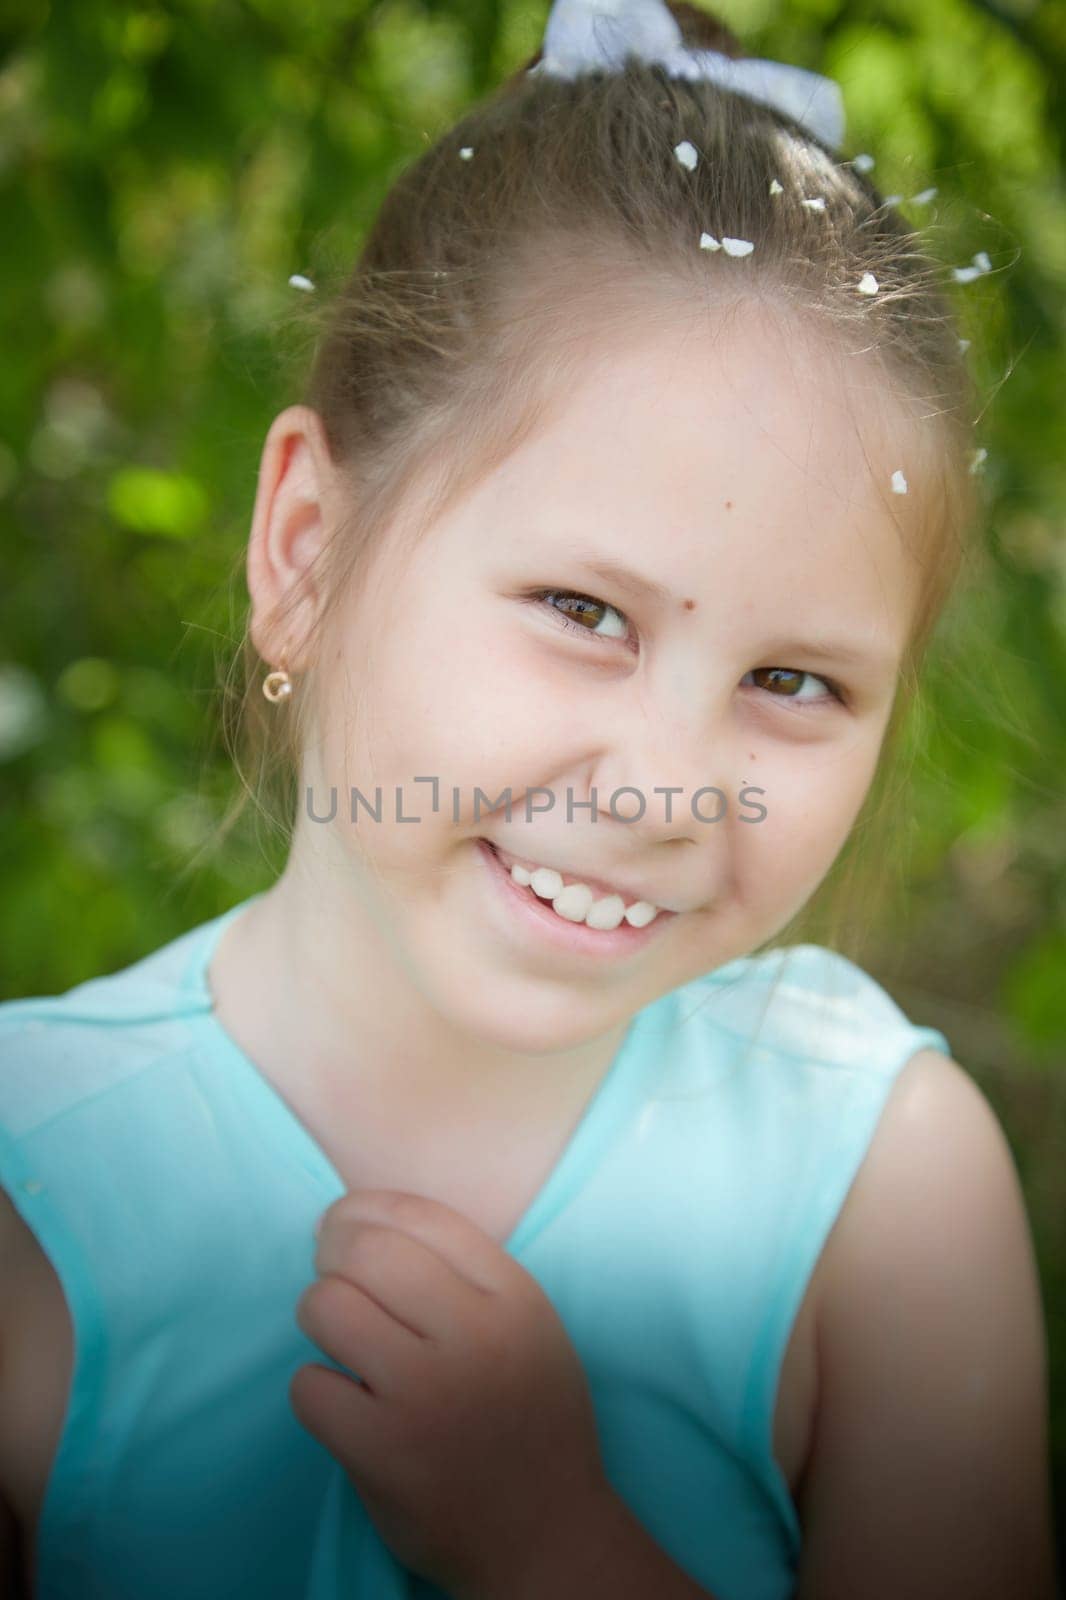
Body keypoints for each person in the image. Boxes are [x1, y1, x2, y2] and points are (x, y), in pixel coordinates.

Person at [0, 1, 1058, 1597]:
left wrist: (556, 1550)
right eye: (582, 612)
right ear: (303, 553)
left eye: (793, 683)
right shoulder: (34, 1177)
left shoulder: (881, 1187)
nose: (664, 791)